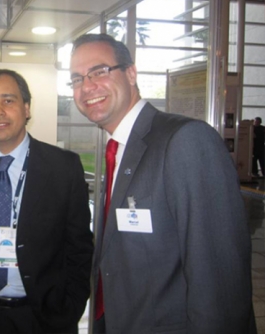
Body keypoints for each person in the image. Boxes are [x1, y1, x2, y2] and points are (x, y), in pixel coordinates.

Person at [69, 33, 255, 334]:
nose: (86, 86)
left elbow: (220, 279)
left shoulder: (186, 140)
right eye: (77, 79)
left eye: (99, 71)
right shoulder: (119, 149)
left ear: (131, 74)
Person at [0, 69, 93, 333]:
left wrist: (70, 307)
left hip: (41, 318)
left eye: (8, 100)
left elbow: (79, 247)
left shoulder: (63, 168)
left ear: (27, 108)